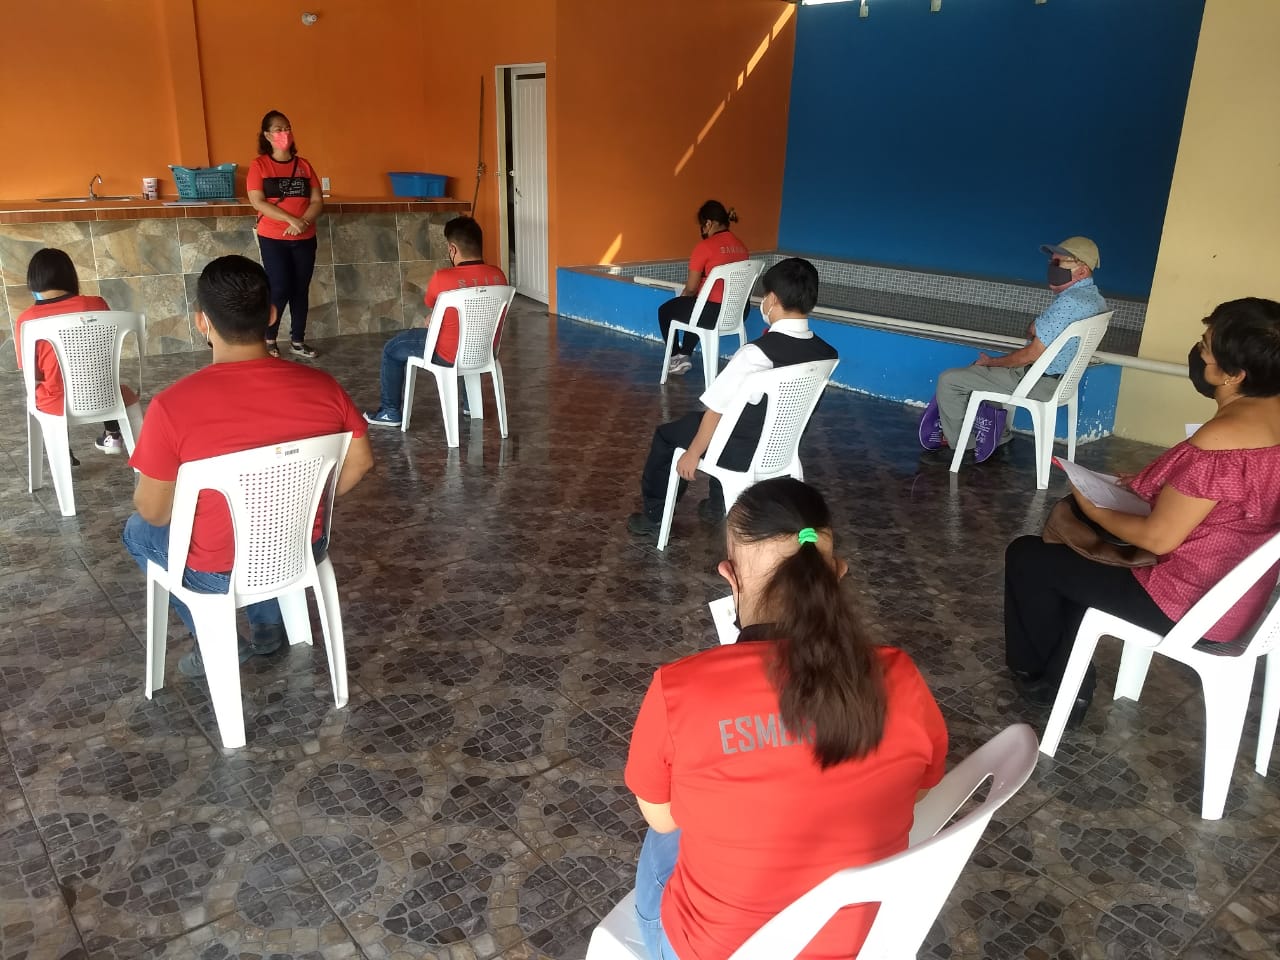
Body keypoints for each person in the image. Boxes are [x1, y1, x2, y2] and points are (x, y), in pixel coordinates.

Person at [625, 477, 948, 960]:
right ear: (836, 573)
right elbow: (920, 789)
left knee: (668, 833)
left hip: (714, 951)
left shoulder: (680, 689)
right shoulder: (900, 676)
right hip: (864, 944)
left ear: (730, 576)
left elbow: (662, 816)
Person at [1004, 297, 1280, 725]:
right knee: (1074, 568)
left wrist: (1093, 506)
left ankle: (1045, 678)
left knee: (1030, 558)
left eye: (1206, 347)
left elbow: (1157, 539)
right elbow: (1232, 497)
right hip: (1239, 600)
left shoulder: (1222, 438)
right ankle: (1061, 674)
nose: (1199, 352)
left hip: (1187, 603)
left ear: (1235, 374)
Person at [121, 255, 373, 677]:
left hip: (217, 570)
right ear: (272, 315)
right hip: (300, 550)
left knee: (136, 531)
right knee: (258, 522)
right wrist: (301, 503)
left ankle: (214, 641)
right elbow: (361, 462)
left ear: (202, 323)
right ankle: (268, 627)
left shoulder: (171, 407)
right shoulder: (324, 387)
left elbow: (154, 511)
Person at [628, 257, 836, 537]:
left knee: (669, 436)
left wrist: (693, 454)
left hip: (739, 452)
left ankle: (655, 516)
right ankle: (717, 505)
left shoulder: (755, 354)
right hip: (782, 447)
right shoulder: (826, 354)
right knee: (737, 420)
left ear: (773, 300)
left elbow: (715, 409)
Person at [919, 237, 1108, 463]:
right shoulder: (1095, 300)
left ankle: (964, 446)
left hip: (1038, 381)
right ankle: (999, 435)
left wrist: (992, 362)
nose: (1052, 267)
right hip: (1060, 381)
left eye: (1058, 263)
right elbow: (1036, 331)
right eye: (1051, 262)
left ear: (1082, 270)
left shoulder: (1070, 302)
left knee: (950, 380)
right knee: (981, 375)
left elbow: (1030, 354)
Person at [364, 215, 508, 427]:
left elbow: (431, 303)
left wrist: (435, 316)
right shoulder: (499, 276)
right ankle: (471, 404)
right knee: (469, 333)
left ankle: (390, 412)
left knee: (392, 349)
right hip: (485, 349)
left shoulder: (443, 277)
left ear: (452, 249)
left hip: (447, 354)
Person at [14, 248, 137, 456]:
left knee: (46, 387)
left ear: (33, 280)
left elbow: (31, 373)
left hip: (57, 403)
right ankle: (113, 433)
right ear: (70, 276)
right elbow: (106, 355)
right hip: (105, 395)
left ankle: (63, 451)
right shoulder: (96, 304)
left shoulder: (27, 320)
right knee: (100, 375)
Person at [246, 109, 324, 360]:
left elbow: (317, 200)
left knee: (300, 289)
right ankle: (269, 339)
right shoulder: (259, 165)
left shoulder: (304, 166)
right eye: (278, 129)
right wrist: (291, 219)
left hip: (304, 237)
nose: (284, 133)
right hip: (273, 238)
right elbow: (257, 201)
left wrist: (303, 222)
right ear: (267, 135)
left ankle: (298, 340)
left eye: (287, 128)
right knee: (278, 287)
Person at [658, 200, 749, 377]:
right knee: (696, 305)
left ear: (708, 223)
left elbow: (691, 289)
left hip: (711, 314)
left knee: (666, 310)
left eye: (702, 225)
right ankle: (685, 354)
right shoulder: (742, 248)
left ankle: (675, 357)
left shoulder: (705, 247)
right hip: (739, 313)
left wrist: (681, 300)